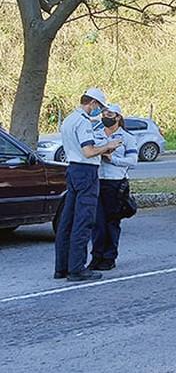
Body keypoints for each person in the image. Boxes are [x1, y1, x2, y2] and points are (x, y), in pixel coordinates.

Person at [55, 88, 121, 282]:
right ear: (91, 103)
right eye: (99, 107)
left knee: (67, 221)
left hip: (73, 170)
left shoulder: (68, 120)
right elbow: (89, 151)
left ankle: (62, 267)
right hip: (86, 172)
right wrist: (108, 147)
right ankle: (77, 268)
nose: (99, 111)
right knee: (84, 221)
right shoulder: (84, 122)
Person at [90, 104, 137, 271]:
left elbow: (132, 161)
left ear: (117, 117)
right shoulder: (96, 135)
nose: (105, 116)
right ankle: (96, 256)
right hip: (98, 180)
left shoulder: (126, 138)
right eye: (104, 113)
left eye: (109, 114)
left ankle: (109, 257)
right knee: (97, 222)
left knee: (111, 221)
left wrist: (113, 159)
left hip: (115, 183)